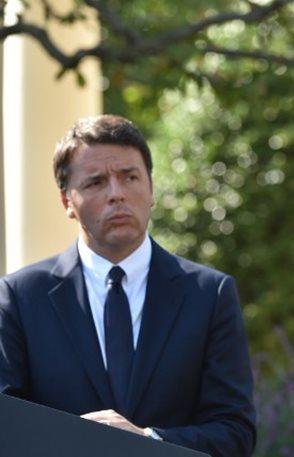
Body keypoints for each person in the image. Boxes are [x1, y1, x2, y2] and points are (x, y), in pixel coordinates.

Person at [0, 115, 256, 456]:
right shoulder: (20, 298)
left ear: (151, 189)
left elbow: (235, 432)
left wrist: (149, 440)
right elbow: (7, 429)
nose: (116, 194)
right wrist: (77, 441)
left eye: (129, 177)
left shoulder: (210, 295)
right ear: (66, 202)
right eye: (95, 182)